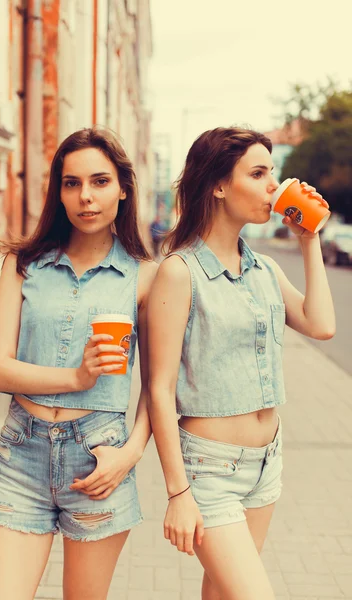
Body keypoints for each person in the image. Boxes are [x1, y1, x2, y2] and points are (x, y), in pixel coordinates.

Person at [147, 127, 335, 600]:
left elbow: (321, 324)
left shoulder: (265, 270)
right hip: (209, 471)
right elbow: (159, 389)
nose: (274, 185)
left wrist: (309, 239)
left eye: (273, 172)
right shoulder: (179, 271)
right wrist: (178, 492)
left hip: (265, 464)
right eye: (258, 173)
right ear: (218, 185)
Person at [0, 126, 158, 600]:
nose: (86, 197)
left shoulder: (144, 278)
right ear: (58, 192)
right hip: (22, 453)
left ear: (123, 188)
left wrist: (130, 454)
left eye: (100, 182)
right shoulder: (22, 264)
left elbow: (158, 388)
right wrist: (77, 376)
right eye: (71, 182)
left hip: (99, 456)